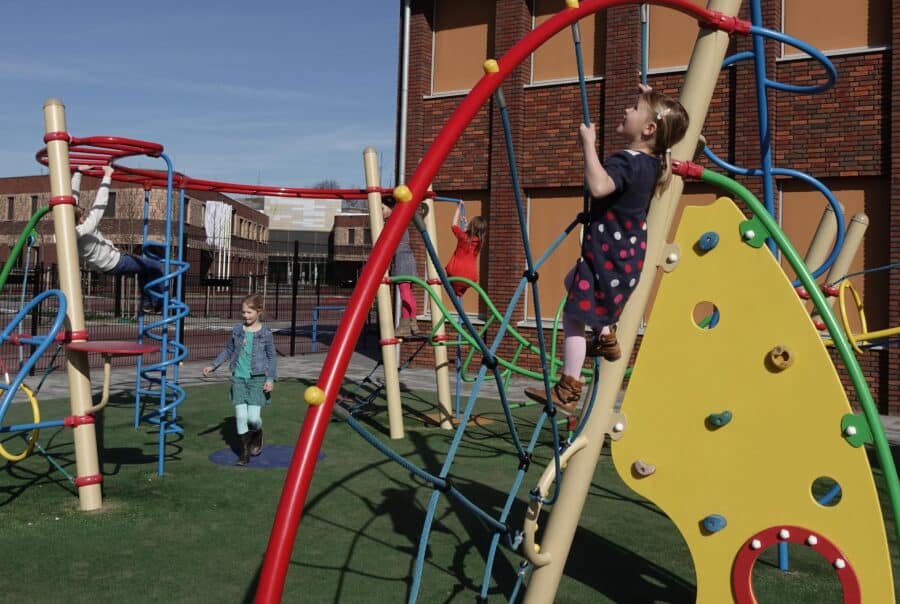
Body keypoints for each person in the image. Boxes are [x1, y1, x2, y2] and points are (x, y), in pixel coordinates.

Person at [525, 83, 689, 415]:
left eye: (634, 108)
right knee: (572, 283)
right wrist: (651, 95)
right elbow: (657, 135)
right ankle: (605, 333)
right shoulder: (655, 164)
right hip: (624, 261)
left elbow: (599, 186)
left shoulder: (626, 161)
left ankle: (568, 387)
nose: (626, 110)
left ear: (648, 128)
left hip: (604, 258)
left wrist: (588, 144)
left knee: (573, 314)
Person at [72, 164, 167, 313]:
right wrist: (107, 176)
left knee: (145, 268)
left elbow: (70, 203)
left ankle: (149, 302)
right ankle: (156, 303)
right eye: (82, 216)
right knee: (155, 266)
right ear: (78, 219)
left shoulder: (68, 230)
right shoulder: (83, 230)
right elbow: (100, 205)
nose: (85, 217)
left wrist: (78, 173)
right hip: (115, 262)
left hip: (110, 262)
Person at [203, 293, 277, 466]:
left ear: (259, 311)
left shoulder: (265, 333)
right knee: (241, 416)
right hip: (238, 378)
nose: (245, 316)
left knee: (253, 418)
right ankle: (244, 454)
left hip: (257, 379)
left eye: (249, 312)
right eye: (243, 312)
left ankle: (258, 433)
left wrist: (270, 379)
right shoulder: (237, 330)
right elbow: (228, 350)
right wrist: (213, 365)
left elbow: (272, 357)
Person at [382, 201, 419, 338]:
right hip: (408, 257)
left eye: (382, 208)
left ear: (391, 208)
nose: (380, 212)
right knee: (408, 292)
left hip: (402, 259)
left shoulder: (392, 223)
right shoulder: (401, 221)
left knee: (405, 293)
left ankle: (405, 325)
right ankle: (412, 324)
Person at [444, 200, 486, 298]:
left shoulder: (463, 237)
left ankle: (455, 292)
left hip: (455, 271)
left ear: (471, 226)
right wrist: (467, 227)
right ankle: (458, 293)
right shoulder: (480, 242)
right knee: (459, 292)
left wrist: (458, 207)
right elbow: (470, 239)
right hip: (471, 277)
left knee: (447, 276)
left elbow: (454, 224)